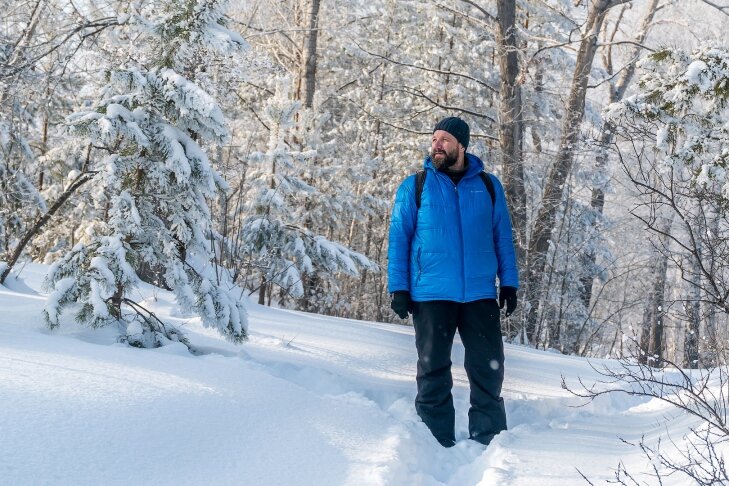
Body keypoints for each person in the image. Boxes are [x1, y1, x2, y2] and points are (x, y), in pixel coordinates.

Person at [387, 116, 519, 448]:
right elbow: (399, 239)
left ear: (461, 145)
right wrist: (399, 288)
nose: (437, 145)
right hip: (431, 293)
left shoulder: (488, 186)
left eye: (444, 140)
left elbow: (502, 236)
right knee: (433, 368)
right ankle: (434, 439)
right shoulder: (415, 185)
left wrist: (510, 283)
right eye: (434, 140)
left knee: (489, 368)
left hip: (479, 293)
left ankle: (488, 439)